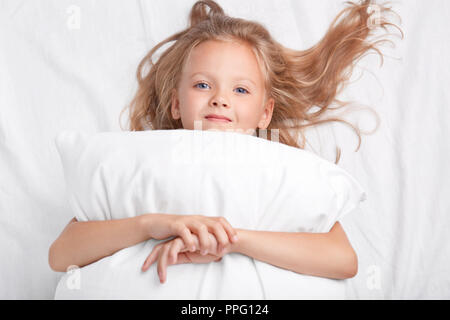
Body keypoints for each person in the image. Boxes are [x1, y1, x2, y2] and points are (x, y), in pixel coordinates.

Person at [49, 0, 402, 285]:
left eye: (240, 90)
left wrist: (230, 241)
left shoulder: (282, 170)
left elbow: (344, 260)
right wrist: (154, 224)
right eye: (203, 85)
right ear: (175, 103)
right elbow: (60, 255)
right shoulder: (141, 162)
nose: (220, 99)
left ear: (265, 113)